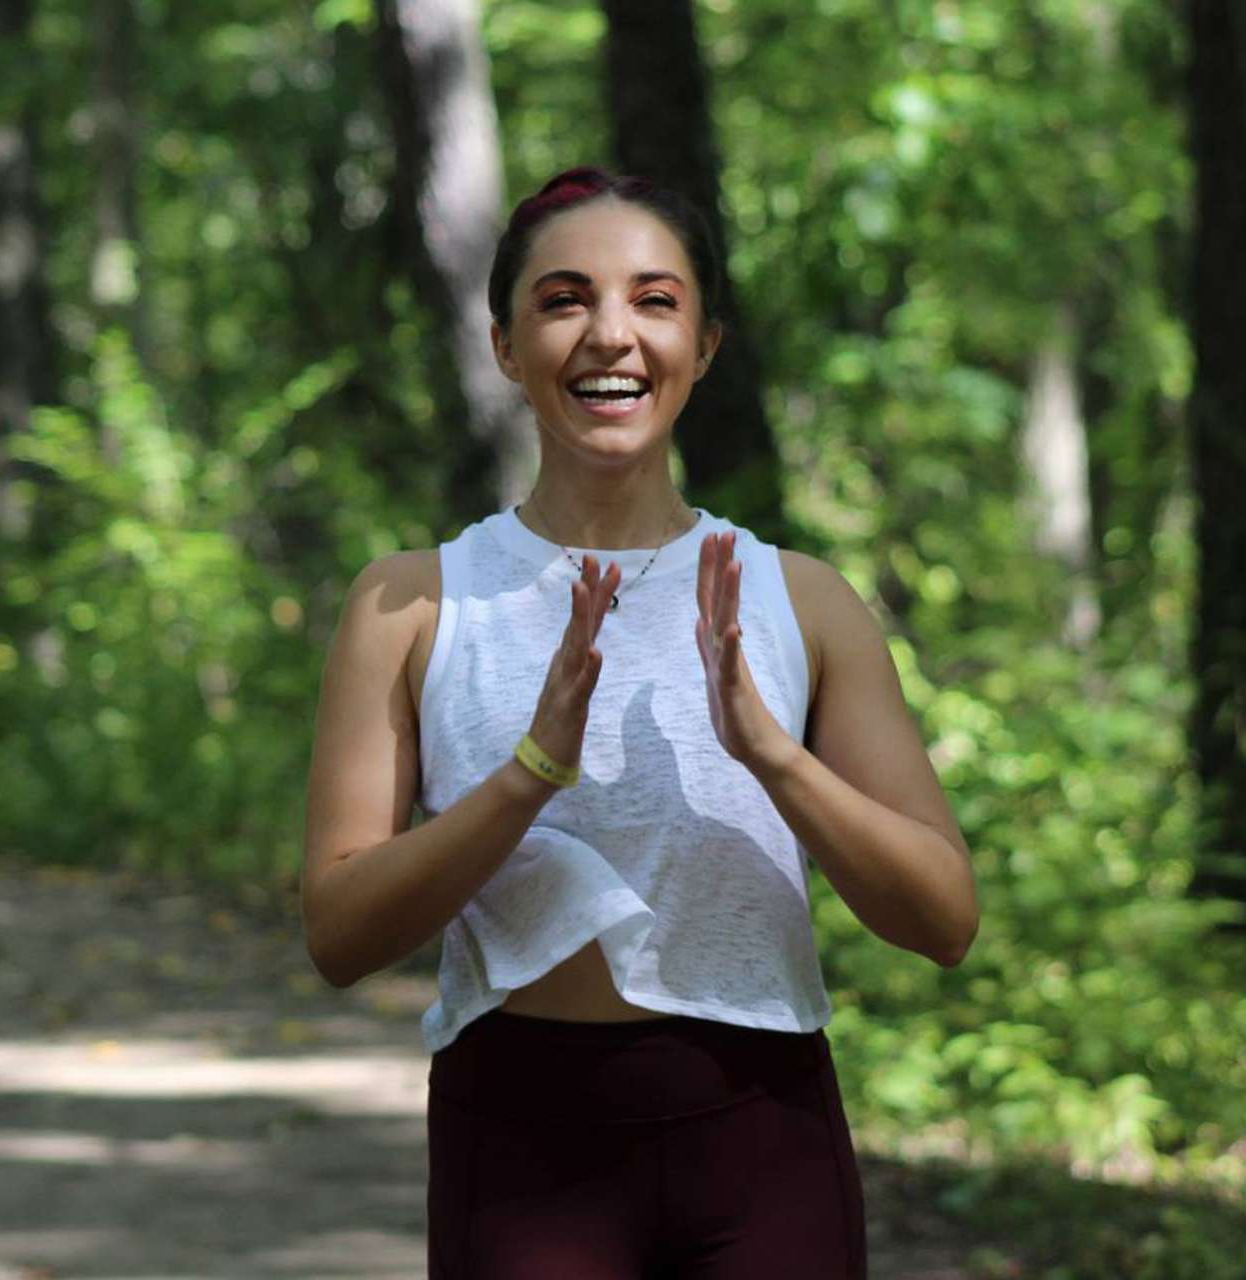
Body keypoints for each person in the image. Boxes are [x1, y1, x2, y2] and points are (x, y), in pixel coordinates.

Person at [301, 166, 978, 1279]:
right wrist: (527, 772)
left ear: (704, 343)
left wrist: (770, 754)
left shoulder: (799, 599)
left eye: (653, 300)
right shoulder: (414, 601)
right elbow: (338, 933)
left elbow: (943, 919)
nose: (608, 334)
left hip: (764, 1138)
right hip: (520, 1145)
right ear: (504, 345)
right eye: (563, 299)